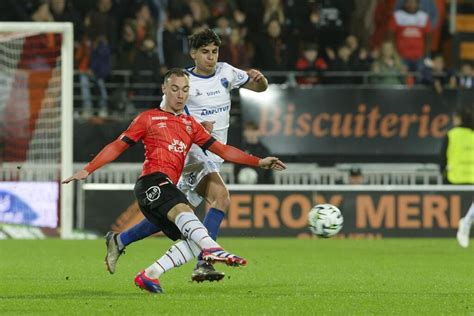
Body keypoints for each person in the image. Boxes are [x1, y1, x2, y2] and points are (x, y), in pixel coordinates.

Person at [62, 69, 286, 293]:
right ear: (164, 89)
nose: (180, 95)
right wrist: (88, 169)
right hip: (151, 182)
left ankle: (149, 274)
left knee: (192, 238)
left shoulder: (190, 125)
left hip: (168, 187)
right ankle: (212, 248)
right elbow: (117, 146)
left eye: (185, 90)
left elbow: (224, 151)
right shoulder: (148, 118)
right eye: (175, 89)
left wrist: (259, 162)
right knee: (186, 215)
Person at [104, 28, 269, 282]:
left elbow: (259, 88)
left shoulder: (227, 72)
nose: (211, 57)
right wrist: (195, 126)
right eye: (205, 52)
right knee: (221, 198)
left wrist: (260, 79)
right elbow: (171, 113)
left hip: (213, 154)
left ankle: (120, 239)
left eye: (214, 52)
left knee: (178, 214)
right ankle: (204, 261)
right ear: (193, 54)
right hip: (192, 153)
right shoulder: (184, 84)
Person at [439, 106, 474, 248]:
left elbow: (442, 157)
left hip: (454, 179)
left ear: (458, 118)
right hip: (472, 179)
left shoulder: (451, 134)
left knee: (450, 214)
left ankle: (464, 223)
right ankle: (466, 222)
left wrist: (443, 173)